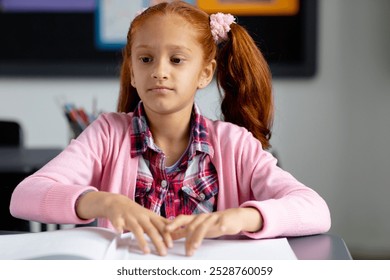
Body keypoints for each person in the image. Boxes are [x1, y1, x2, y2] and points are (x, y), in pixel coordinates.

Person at [10, 1, 330, 257]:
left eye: (177, 60)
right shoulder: (106, 134)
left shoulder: (235, 144)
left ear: (205, 73)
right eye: (146, 59)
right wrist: (104, 202)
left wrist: (239, 218)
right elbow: (24, 197)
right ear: (132, 72)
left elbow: (315, 209)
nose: (159, 71)